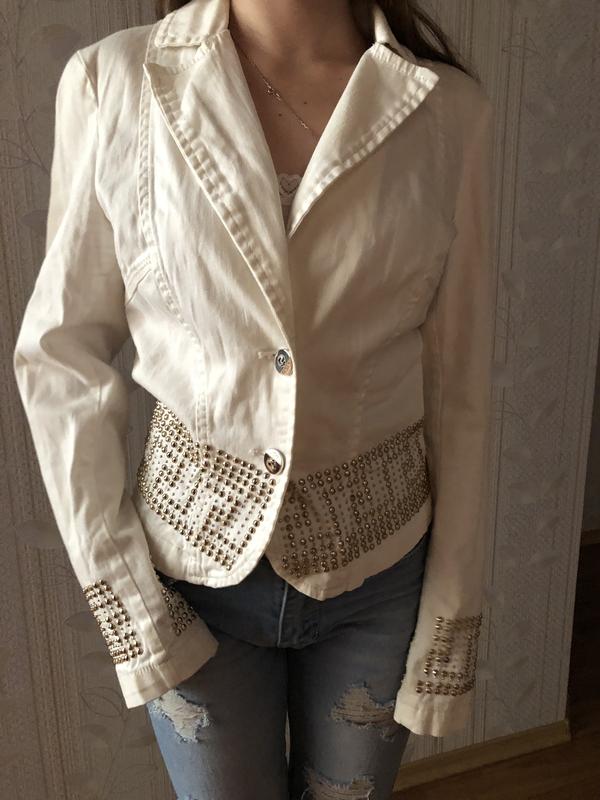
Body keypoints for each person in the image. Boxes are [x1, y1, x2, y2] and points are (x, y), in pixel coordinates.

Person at [12, 0, 496, 797]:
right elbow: (61, 357)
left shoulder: (446, 112)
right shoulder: (116, 82)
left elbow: (461, 389)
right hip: (188, 580)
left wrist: (451, 614)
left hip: (381, 574)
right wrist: (131, 603)